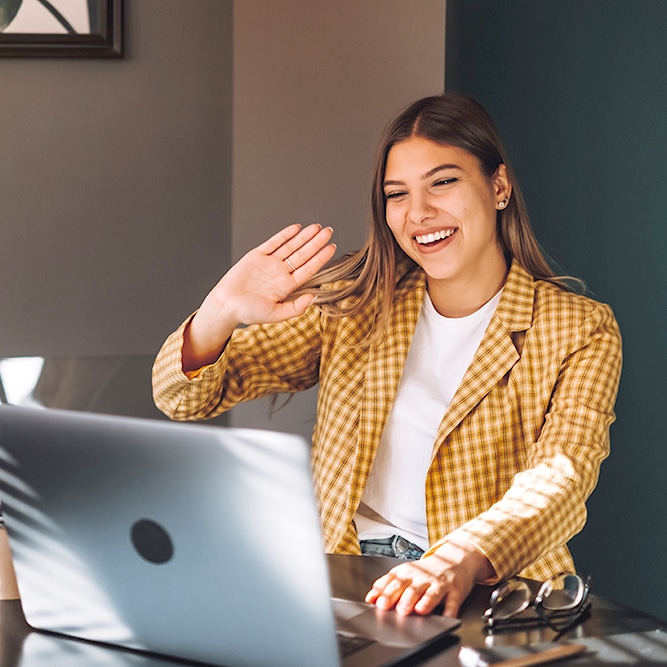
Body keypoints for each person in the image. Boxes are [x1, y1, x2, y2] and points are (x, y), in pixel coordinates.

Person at [152, 93, 622, 619]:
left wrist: (460, 558)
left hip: (493, 594)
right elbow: (183, 398)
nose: (419, 213)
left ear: (499, 186)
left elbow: (561, 477)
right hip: (351, 580)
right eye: (396, 193)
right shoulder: (356, 303)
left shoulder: (578, 327)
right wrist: (219, 311)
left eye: (443, 182)